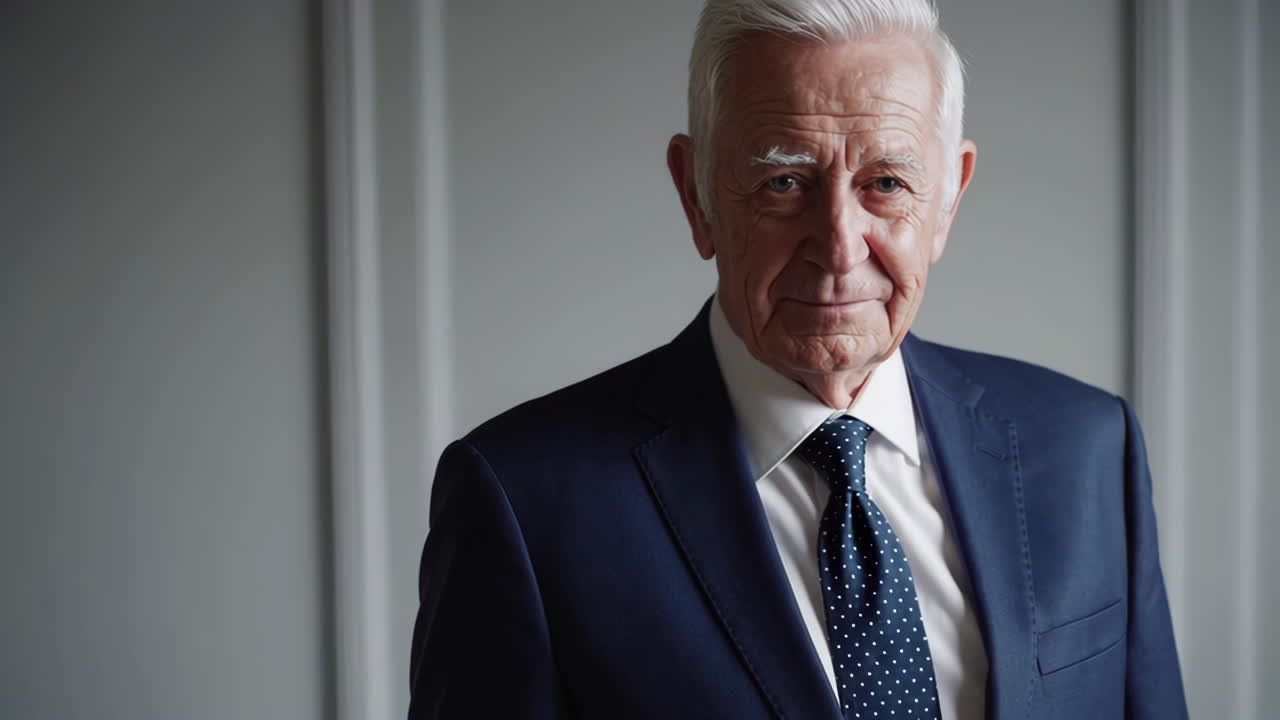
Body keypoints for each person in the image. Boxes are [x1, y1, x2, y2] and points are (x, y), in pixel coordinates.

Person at [407, 0, 1188, 717]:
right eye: (783, 183)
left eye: (886, 182)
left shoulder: (1088, 447)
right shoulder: (524, 500)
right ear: (696, 195)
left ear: (949, 196)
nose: (840, 248)